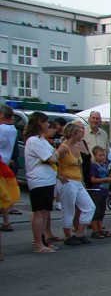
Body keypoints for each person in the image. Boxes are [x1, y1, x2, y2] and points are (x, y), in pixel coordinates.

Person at [23, 112, 59, 253]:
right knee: (39, 212)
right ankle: (38, 244)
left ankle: (43, 240)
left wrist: (54, 155)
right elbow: (53, 158)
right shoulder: (33, 140)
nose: (48, 125)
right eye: (45, 122)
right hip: (39, 180)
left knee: (44, 212)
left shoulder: (42, 140)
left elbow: (53, 155)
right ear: (39, 123)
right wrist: (56, 154)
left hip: (48, 179)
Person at [55, 121, 95, 245]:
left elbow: (79, 167)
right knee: (69, 210)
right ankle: (68, 236)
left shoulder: (77, 147)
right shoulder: (63, 148)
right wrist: (59, 176)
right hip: (68, 181)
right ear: (73, 134)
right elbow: (51, 160)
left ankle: (79, 233)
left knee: (89, 207)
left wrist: (82, 180)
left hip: (77, 181)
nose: (82, 132)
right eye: (79, 131)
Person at [87, 146, 111, 239]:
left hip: (104, 191)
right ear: (95, 155)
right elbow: (93, 179)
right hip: (97, 191)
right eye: (100, 155)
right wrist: (106, 179)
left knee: (102, 211)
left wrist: (110, 175)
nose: (102, 157)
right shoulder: (94, 166)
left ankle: (100, 229)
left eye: (104, 155)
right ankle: (95, 230)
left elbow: (106, 176)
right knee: (96, 211)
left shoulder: (104, 166)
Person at [0, 105, 17, 233]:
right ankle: (6, 221)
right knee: (3, 194)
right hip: (5, 163)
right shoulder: (12, 129)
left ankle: (6, 221)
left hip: (1, 163)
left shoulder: (2, 129)